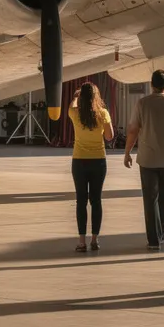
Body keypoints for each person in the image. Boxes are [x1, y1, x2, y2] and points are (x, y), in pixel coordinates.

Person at [123, 69, 164, 251]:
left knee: (150, 199)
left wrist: (127, 152)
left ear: (151, 84)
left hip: (147, 159)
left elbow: (133, 130)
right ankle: (161, 234)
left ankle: (153, 240)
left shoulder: (142, 104)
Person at [71, 82, 114, 252]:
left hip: (79, 160)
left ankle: (81, 241)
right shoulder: (103, 113)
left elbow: (72, 105)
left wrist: (76, 96)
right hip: (98, 161)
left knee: (81, 201)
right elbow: (109, 136)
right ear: (96, 97)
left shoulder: (75, 113)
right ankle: (95, 239)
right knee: (96, 200)